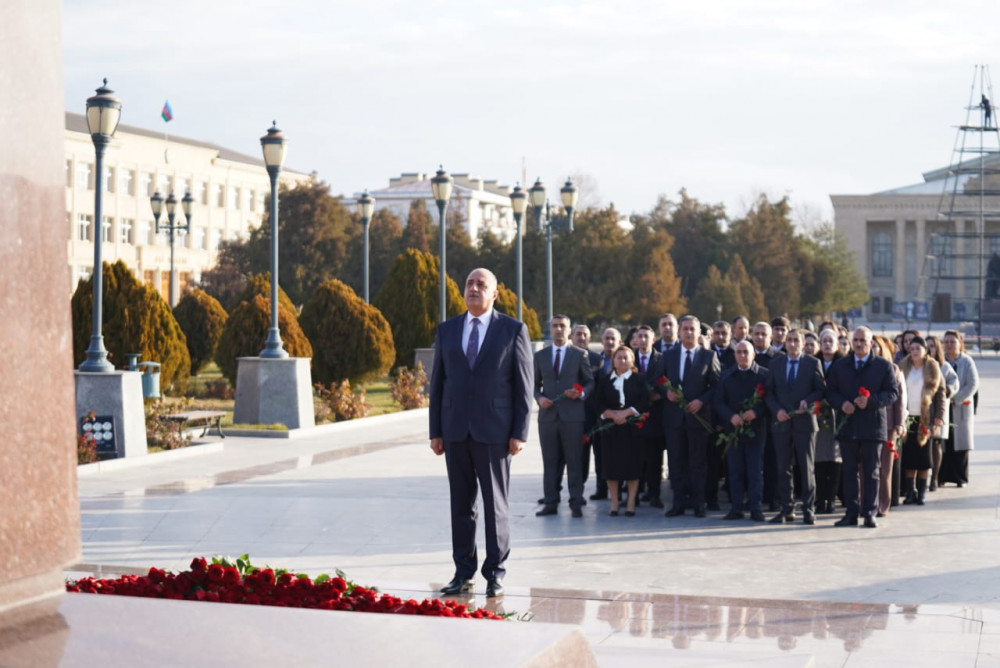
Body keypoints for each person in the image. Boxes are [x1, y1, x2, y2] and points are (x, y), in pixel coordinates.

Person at [429, 268, 532, 598]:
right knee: (461, 505)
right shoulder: (447, 330)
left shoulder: (512, 330)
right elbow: (438, 383)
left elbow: (523, 385)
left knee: (495, 505)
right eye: (469, 284)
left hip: (495, 432)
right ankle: (463, 572)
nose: (473, 288)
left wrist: (520, 432)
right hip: (455, 430)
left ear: (494, 294)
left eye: (481, 284)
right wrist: (436, 430)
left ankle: (495, 573)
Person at [825, 327, 899, 528]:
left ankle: (870, 513)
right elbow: (830, 392)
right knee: (849, 471)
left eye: (862, 340)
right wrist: (842, 404)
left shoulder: (883, 366)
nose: (858, 344)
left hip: (872, 426)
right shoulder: (841, 365)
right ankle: (851, 512)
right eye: (855, 340)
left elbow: (892, 393)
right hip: (847, 425)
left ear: (871, 343)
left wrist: (871, 401)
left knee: (872, 471)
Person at [653, 315, 721, 518]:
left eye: (693, 329)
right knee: (676, 462)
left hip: (698, 418)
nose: (689, 332)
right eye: (685, 329)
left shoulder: (708, 356)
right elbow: (658, 380)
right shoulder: (668, 355)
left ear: (699, 332)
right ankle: (678, 503)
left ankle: (699, 503)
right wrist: (666, 393)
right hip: (674, 419)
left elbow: (717, 385)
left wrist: (702, 401)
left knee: (697, 462)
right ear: (679, 332)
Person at [534, 315, 594, 518]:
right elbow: (533, 384)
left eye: (562, 326)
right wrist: (539, 398)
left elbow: (589, 382)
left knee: (574, 460)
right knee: (550, 461)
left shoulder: (579, 354)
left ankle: (576, 502)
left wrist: (581, 393)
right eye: (555, 326)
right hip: (548, 417)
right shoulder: (540, 356)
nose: (559, 329)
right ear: (550, 330)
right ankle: (550, 502)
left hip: (573, 416)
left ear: (569, 330)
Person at [765, 329, 825, 525]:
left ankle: (808, 509)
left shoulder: (812, 363)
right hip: (781, 422)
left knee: (806, 467)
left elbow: (820, 390)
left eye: (796, 340)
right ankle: (787, 509)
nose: (792, 344)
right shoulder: (776, 363)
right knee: (783, 467)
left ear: (803, 343)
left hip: (804, 422)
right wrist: (777, 411)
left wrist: (808, 401)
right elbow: (768, 393)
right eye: (789, 340)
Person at [714, 340, 770, 522]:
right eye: (739, 352)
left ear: (754, 355)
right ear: (735, 355)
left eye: (746, 352)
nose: (742, 355)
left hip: (756, 429)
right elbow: (718, 402)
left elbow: (769, 400)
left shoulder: (764, 375)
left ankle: (755, 507)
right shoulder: (726, 375)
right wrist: (730, 416)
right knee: (735, 469)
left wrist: (756, 412)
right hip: (734, 429)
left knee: (755, 470)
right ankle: (736, 507)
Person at [594, 346, 650, 516]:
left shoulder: (639, 379)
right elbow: (597, 402)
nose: (622, 361)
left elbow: (644, 401)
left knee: (632, 467)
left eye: (626, 357)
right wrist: (612, 415)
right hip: (611, 431)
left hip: (632, 430)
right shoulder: (605, 380)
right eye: (619, 357)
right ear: (613, 361)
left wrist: (626, 413)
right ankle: (614, 503)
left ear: (632, 360)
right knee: (611, 467)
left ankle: (631, 502)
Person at [898, 337, 945, 506]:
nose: (914, 352)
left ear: (926, 350)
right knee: (909, 456)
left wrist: (939, 415)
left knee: (924, 458)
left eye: (918, 348)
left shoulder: (932, 367)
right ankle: (911, 492)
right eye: (912, 349)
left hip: (926, 417)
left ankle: (922, 492)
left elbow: (940, 393)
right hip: (907, 417)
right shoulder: (903, 366)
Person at [871, 335, 906, 516]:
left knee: (885, 468)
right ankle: (868, 503)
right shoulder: (861, 368)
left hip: (889, 424)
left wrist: (900, 423)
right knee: (868, 467)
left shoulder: (893, 369)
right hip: (868, 423)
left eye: (875, 347)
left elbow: (899, 399)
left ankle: (883, 505)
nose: (872, 349)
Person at [941, 330, 979, 487]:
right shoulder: (940, 361)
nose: (949, 345)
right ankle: (942, 477)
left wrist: (956, 398)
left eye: (952, 341)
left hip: (960, 407)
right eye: (946, 342)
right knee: (944, 444)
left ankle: (960, 478)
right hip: (943, 408)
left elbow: (973, 384)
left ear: (960, 343)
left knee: (960, 445)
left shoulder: (966, 361)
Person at [589, 327, 623, 501]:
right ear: (602, 341)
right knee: (600, 454)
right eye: (607, 338)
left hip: (620, 416)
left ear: (619, 342)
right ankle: (601, 488)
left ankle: (620, 490)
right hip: (599, 416)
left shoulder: (624, 360)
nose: (609, 342)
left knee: (620, 454)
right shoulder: (594, 361)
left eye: (613, 339)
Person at [633, 325, 665, 508]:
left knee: (654, 459)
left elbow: (666, 381)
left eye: (647, 336)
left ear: (653, 340)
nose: (643, 339)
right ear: (636, 339)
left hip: (655, 416)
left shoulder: (662, 359)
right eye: (640, 336)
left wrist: (659, 394)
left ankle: (655, 494)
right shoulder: (629, 358)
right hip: (634, 416)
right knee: (636, 459)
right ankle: (634, 495)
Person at [572, 324, 604, 494]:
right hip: (571, 416)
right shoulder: (566, 357)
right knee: (579, 458)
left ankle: (601, 489)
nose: (581, 338)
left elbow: (601, 389)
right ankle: (578, 491)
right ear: (572, 337)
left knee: (599, 454)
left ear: (590, 338)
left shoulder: (597, 360)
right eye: (578, 334)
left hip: (593, 416)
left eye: (585, 335)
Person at [925, 335, 959, 491]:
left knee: (936, 444)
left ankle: (935, 477)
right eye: (927, 346)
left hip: (938, 408)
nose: (929, 349)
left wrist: (947, 391)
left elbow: (954, 381)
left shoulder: (943, 366)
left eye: (932, 346)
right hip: (923, 410)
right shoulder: (919, 364)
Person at [815, 330, 843, 514]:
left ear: (837, 344)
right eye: (824, 341)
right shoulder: (813, 363)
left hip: (837, 413)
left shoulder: (843, 364)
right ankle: (820, 499)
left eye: (830, 341)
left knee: (834, 457)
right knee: (819, 458)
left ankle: (831, 498)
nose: (827, 344)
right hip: (817, 413)